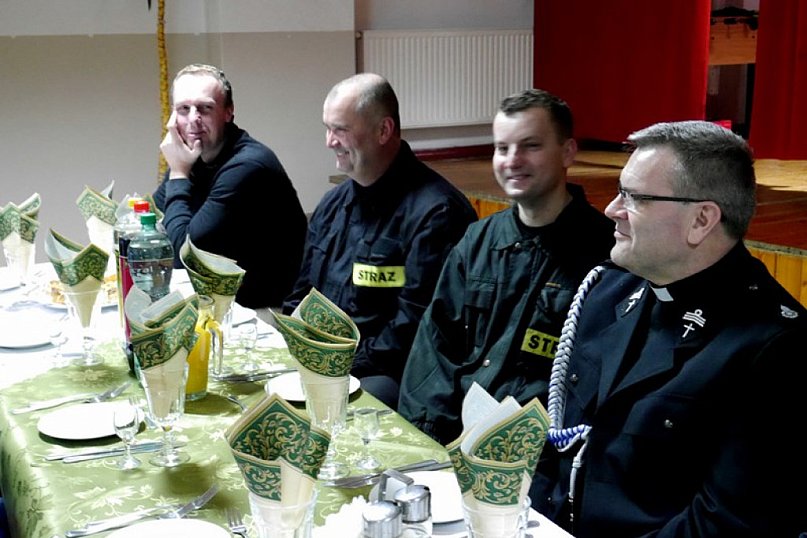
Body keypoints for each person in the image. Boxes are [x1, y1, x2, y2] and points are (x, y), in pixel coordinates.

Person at [532, 120, 807, 536]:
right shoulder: (608, 292)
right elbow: (557, 443)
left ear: (701, 220)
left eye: (635, 197)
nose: (612, 210)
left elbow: (724, 525)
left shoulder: (774, 347)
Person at [397, 89, 614, 444]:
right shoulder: (477, 241)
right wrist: (427, 440)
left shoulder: (605, 255)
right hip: (456, 433)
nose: (513, 160)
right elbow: (435, 347)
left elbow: (594, 381)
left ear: (567, 152)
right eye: (502, 148)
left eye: (531, 146)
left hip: (541, 448)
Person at [282, 73, 478, 408]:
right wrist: (296, 344)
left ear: (383, 130)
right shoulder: (332, 205)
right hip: (330, 363)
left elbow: (414, 330)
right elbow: (300, 295)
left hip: (394, 373)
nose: (329, 141)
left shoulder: (437, 214)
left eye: (340, 129)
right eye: (327, 128)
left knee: (326, 407)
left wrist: (339, 366)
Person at [153, 63, 307, 309]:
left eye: (205, 108)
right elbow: (152, 223)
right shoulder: (192, 156)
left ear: (228, 112)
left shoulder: (248, 165)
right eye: (183, 109)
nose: (193, 119)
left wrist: (179, 173)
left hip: (269, 311)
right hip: (222, 300)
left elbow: (184, 255)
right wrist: (179, 170)